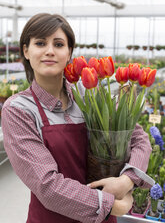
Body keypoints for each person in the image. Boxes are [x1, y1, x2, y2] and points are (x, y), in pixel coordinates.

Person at [2, 13, 154, 223]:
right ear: (26, 51)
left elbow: (138, 137)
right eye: (40, 43)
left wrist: (128, 180)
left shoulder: (90, 94)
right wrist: (113, 205)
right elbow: (47, 186)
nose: (49, 51)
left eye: (58, 44)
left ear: (69, 52)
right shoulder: (18, 109)